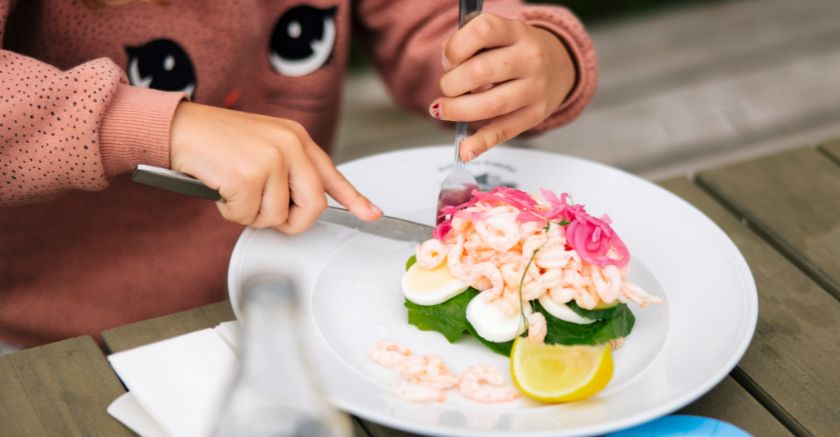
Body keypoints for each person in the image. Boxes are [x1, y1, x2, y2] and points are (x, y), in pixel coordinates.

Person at [0, 0, 597, 346]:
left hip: (299, 298)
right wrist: (150, 125)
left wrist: (533, 61)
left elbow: (436, 20)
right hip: (67, 342)